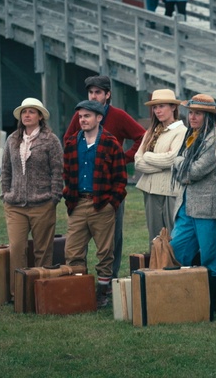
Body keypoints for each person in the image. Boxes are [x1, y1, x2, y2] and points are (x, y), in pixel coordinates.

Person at [64, 75, 145, 280]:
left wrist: (124, 157)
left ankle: (110, 280)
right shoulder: (81, 115)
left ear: (107, 95)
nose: (93, 96)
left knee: (112, 239)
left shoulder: (118, 116)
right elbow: (68, 140)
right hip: (84, 186)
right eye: (91, 92)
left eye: (98, 92)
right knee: (76, 242)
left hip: (111, 188)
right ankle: (80, 283)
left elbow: (142, 136)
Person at [63, 100, 127, 307]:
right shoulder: (72, 142)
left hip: (101, 204)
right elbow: (67, 173)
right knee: (73, 251)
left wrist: (111, 204)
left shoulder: (111, 142)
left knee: (105, 252)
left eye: (87, 116)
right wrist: (68, 196)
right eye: (81, 117)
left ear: (99, 118)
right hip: (77, 203)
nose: (83, 120)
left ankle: (102, 291)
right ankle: (80, 288)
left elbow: (120, 179)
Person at [170, 94, 216, 320]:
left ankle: (210, 305)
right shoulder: (190, 135)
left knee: (211, 255)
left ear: (208, 116)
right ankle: (183, 298)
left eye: (198, 113)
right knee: (177, 248)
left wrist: (177, 163)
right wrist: (180, 164)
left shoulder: (214, 140)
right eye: (191, 112)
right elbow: (184, 168)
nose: (192, 116)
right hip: (186, 204)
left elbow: (193, 171)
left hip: (208, 207)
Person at [0, 98, 63, 297]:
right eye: (24, 112)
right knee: (17, 248)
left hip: (43, 203)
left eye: (32, 112)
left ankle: (42, 291)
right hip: (15, 204)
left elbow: (58, 170)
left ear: (40, 116)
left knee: (42, 251)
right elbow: (5, 169)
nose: (27, 115)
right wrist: (5, 194)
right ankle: (18, 294)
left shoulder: (50, 140)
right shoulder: (12, 139)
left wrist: (54, 197)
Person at [134, 89, 187, 250]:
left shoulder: (181, 131)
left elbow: (172, 159)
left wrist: (148, 156)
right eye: (155, 107)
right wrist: (160, 165)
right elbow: (137, 161)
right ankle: (156, 271)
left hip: (169, 191)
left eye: (162, 106)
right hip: (149, 189)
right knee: (154, 238)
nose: (157, 111)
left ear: (173, 107)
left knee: (172, 236)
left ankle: (174, 271)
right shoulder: (150, 132)